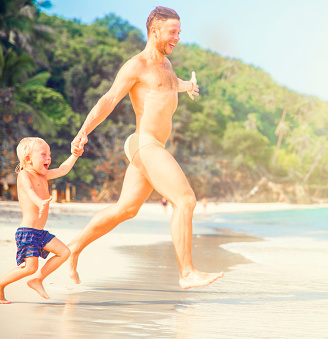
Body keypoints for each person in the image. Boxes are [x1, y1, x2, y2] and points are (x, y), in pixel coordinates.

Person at [67, 6, 223, 289]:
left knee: (126, 210)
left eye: (179, 32)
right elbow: (109, 99)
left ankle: (73, 248)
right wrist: (83, 131)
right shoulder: (136, 65)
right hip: (145, 143)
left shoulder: (166, 66)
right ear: (155, 31)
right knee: (186, 200)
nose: (177, 37)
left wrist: (188, 86)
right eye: (172, 32)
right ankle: (187, 272)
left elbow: (169, 84)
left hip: (153, 146)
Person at [0, 137, 83, 304]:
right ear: (28, 159)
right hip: (27, 232)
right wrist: (40, 202)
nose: (49, 158)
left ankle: (37, 279)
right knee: (29, 267)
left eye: (49, 154)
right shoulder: (24, 174)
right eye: (44, 155)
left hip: (39, 232)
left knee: (64, 252)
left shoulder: (44, 175)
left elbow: (63, 169)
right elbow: (29, 191)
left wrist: (75, 155)